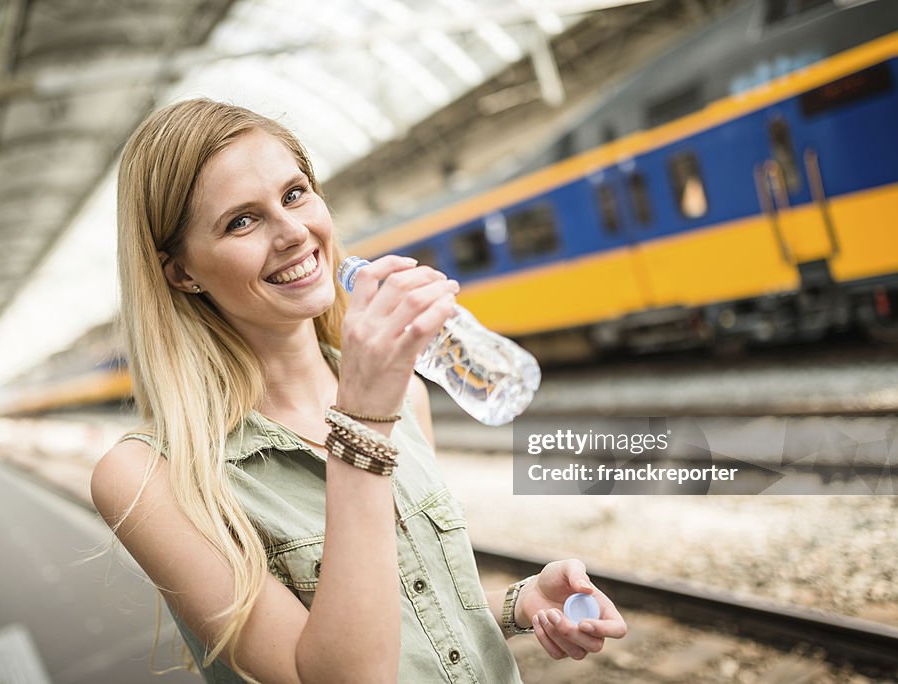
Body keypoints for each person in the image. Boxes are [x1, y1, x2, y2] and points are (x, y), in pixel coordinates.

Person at [89, 98, 627, 684]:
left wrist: (517, 605)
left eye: (294, 194)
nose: (294, 233)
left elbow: (407, 615)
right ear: (182, 272)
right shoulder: (149, 477)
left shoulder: (408, 399)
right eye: (241, 220)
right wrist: (363, 419)